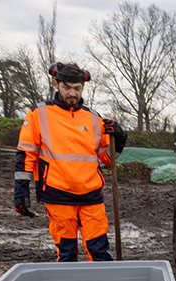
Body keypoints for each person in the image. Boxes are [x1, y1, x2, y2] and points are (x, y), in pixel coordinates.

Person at [14, 62, 127, 262]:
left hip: (91, 195)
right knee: (67, 254)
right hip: (57, 193)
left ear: (83, 87)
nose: (72, 93)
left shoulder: (93, 118)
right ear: (56, 83)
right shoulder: (39, 114)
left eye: (77, 88)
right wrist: (21, 190)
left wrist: (118, 140)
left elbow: (107, 159)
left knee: (99, 252)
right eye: (67, 87)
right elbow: (26, 153)